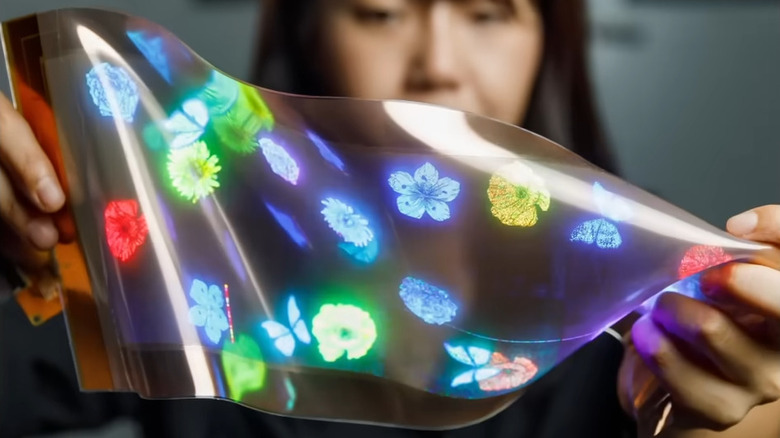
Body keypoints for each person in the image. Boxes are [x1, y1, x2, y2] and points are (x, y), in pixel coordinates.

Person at [1, 0, 780, 437]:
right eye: (380, 13)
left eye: (488, 11)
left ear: (552, 41)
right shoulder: (171, 271)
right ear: (308, 34)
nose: (436, 60)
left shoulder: (657, 309)